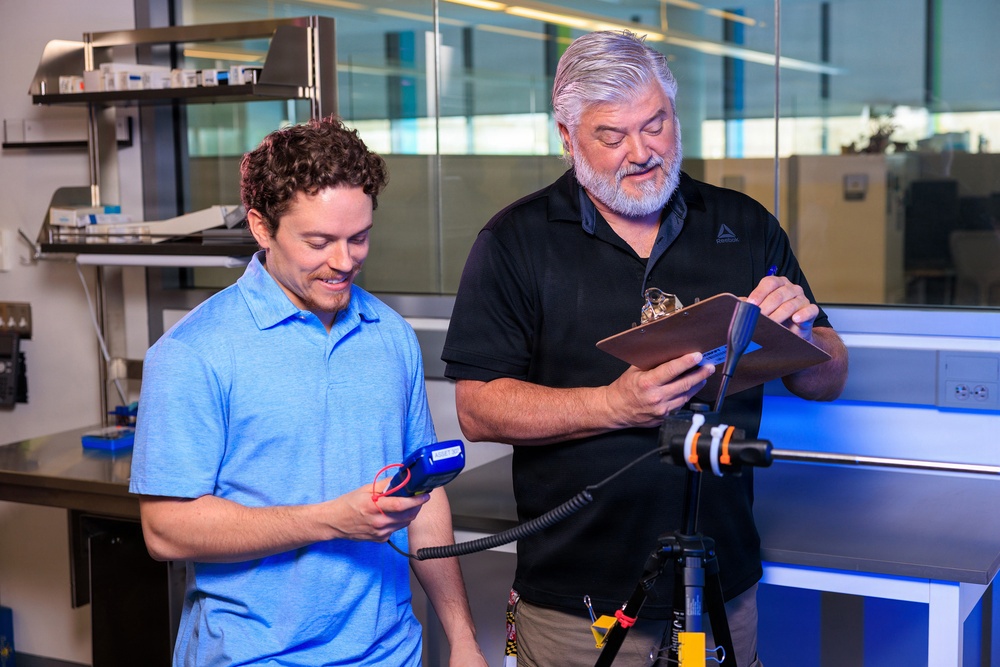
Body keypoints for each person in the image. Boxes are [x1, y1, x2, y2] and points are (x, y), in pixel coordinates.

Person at [441, 30, 848, 667]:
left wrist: (804, 337)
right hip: (576, 599)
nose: (642, 151)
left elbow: (829, 377)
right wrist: (613, 405)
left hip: (722, 580)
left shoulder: (743, 225)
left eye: (655, 124)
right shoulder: (515, 242)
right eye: (612, 136)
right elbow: (478, 409)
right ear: (567, 136)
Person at [130, 116, 488, 667]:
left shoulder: (389, 335)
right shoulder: (192, 352)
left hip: (390, 652)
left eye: (359, 237)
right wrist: (330, 519)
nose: (344, 262)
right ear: (260, 227)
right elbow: (165, 530)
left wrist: (461, 637)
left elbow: (424, 494)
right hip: (254, 656)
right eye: (319, 242)